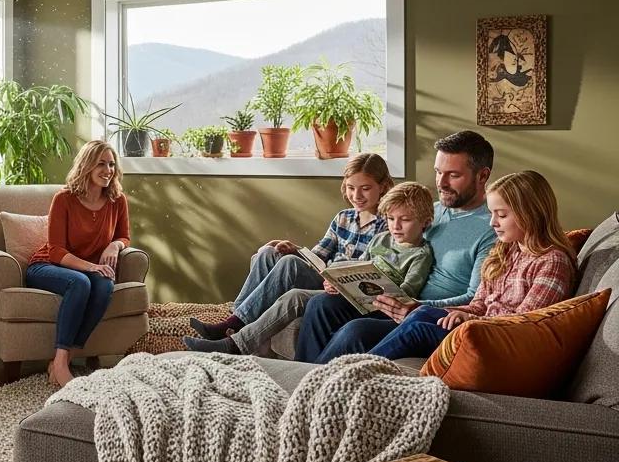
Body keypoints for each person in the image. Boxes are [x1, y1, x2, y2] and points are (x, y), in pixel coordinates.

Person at [296, 129, 498, 363]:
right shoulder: (426, 210)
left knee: (355, 332)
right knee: (321, 304)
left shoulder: (491, 228)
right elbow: (388, 253)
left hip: (422, 312)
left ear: (482, 176)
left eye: (453, 175)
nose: (441, 183)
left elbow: (475, 298)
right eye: (438, 172)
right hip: (390, 297)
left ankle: (310, 385)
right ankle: (299, 378)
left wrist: (418, 306)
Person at [183, 181, 434, 355]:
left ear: (426, 222)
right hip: (349, 292)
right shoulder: (381, 238)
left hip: (376, 305)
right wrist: (338, 280)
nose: (396, 226)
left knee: (295, 296)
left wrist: (374, 290)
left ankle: (235, 344)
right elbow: (359, 265)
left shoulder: (420, 255)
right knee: (270, 255)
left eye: (405, 220)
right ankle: (234, 320)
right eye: (391, 219)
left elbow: (407, 293)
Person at [363, 170, 576, 362]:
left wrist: (470, 319)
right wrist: (428, 308)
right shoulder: (505, 251)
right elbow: (478, 304)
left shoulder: (552, 261)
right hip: (479, 327)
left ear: (531, 214)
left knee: (419, 329)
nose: (493, 223)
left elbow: (523, 325)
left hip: (499, 343)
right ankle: (352, 368)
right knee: (421, 313)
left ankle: (355, 369)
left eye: (501, 215)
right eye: (492, 213)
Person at [189, 153, 393, 340]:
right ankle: (234, 316)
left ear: (382, 186)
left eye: (365, 188)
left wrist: (331, 275)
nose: (356, 195)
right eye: (350, 188)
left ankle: (233, 325)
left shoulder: (388, 224)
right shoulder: (343, 218)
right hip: (322, 274)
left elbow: (370, 271)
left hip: (339, 287)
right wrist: (294, 249)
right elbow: (318, 255)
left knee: (289, 264)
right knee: (270, 252)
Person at [26, 140, 130, 387]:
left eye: (112, 164)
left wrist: (114, 245)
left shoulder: (118, 200)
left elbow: (124, 236)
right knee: (82, 282)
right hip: (47, 266)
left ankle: (61, 360)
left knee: (104, 285)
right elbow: (56, 251)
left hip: (84, 269)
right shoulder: (64, 199)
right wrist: (92, 267)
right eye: (101, 164)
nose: (108, 170)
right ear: (86, 166)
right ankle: (62, 364)